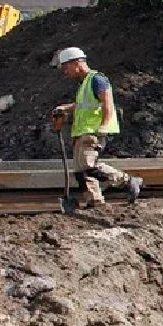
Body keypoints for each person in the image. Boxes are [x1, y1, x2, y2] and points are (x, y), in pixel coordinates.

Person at [50, 47, 142, 208]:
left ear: (77, 63)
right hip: (81, 132)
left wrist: (105, 125)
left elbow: (107, 102)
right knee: (80, 172)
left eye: (66, 67)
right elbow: (82, 105)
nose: (65, 72)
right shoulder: (84, 84)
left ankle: (127, 181)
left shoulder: (97, 79)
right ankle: (95, 201)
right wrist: (65, 108)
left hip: (93, 131)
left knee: (89, 166)